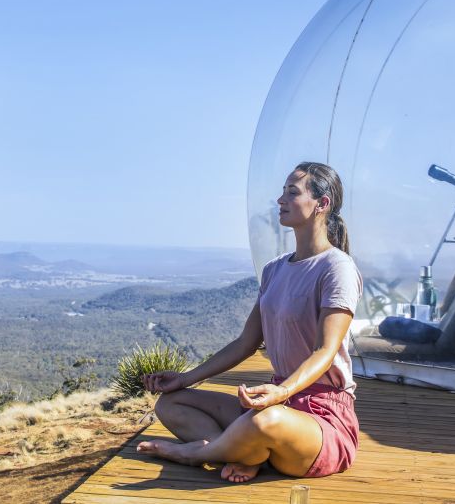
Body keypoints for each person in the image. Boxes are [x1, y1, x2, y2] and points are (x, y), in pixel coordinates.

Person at [137, 161, 362, 482]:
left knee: (265, 422)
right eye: (282, 192)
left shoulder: (337, 268)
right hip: (273, 401)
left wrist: (280, 393)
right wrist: (185, 379)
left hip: (320, 417)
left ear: (322, 204)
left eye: (292, 193)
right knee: (171, 403)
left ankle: (198, 453)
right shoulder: (274, 269)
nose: (280, 200)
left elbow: (325, 351)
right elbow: (246, 343)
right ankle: (244, 451)